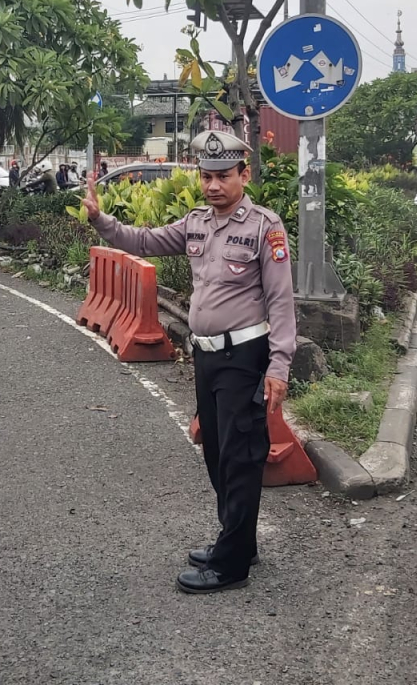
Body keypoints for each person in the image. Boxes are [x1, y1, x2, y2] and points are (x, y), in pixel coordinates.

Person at [82, 129, 297, 594]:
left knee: (240, 455)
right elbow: (143, 241)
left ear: (244, 174)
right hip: (206, 356)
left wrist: (279, 366)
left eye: (223, 176)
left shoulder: (265, 227)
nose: (214, 185)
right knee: (218, 450)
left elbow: (281, 303)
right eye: (207, 176)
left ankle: (231, 564)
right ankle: (238, 538)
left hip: (245, 355)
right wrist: (102, 220)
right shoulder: (196, 222)